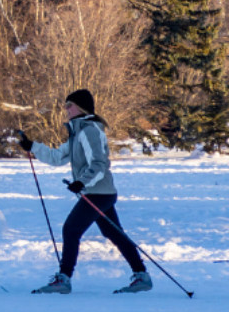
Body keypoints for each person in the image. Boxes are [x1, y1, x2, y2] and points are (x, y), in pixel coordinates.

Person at [19, 89, 151, 295]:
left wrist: (81, 182)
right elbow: (57, 157)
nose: (66, 110)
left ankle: (63, 279)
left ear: (80, 107)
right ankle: (142, 275)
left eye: (69, 105)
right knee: (113, 232)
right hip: (99, 192)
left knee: (71, 229)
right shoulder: (78, 132)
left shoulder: (90, 131)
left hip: (98, 193)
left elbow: (99, 164)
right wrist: (32, 146)